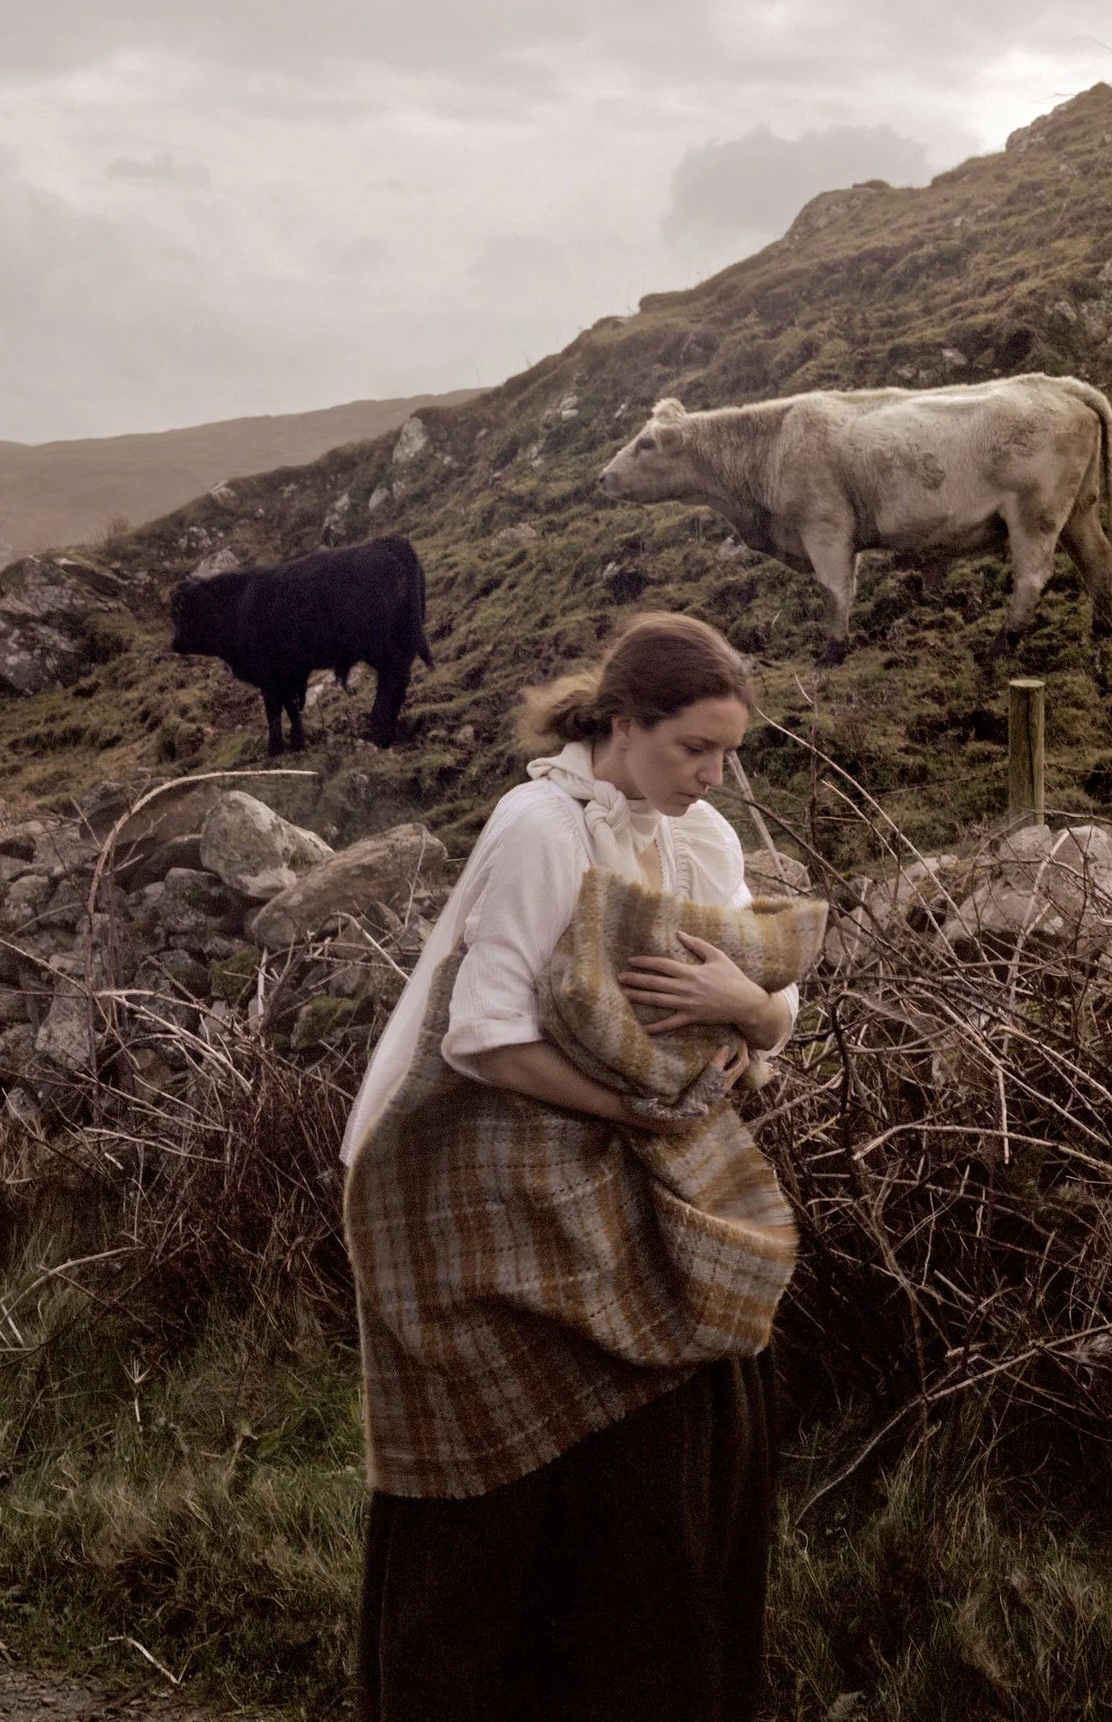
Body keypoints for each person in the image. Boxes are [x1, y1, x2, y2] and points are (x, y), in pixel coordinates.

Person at [343, 611, 801, 1722]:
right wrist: (637, 1107)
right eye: (693, 745)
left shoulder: (700, 839)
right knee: (508, 1477)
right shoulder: (542, 824)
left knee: (691, 1425)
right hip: (493, 1162)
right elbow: (484, 1031)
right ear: (624, 720)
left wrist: (750, 1006)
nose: (712, 772)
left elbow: (767, 999)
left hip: (637, 1172)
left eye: (728, 750)